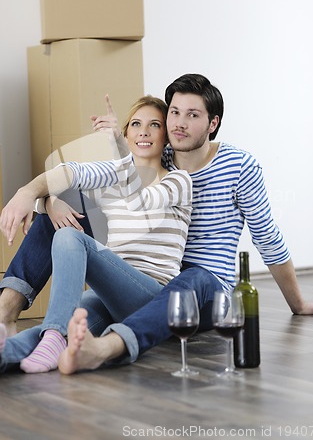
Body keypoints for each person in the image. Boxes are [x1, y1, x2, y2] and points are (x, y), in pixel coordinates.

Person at [1, 74, 313, 372]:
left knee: (194, 276)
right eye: (174, 113)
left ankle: (108, 347)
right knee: (61, 226)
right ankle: (7, 322)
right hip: (148, 280)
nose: (179, 123)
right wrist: (46, 198)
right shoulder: (163, 155)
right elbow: (110, 175)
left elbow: (266, 236)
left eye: (193, 115)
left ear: (212, 123)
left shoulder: (239, 166)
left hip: (205, 289)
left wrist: (298, 304)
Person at [0, 95, 192, 373]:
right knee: (46, 331)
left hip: (150, 296)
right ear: (127, 132)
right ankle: (9, 353)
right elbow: (70, 175)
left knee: (68, 237)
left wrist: (119, 149)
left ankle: (56, 335)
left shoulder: (178, 180)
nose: (144, 131)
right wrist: (48, 202)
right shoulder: (112, 180)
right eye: (136, 124)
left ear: (166, 137)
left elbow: (140, 199)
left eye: (155, 125)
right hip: (110, 294)